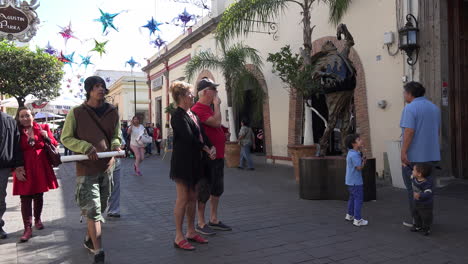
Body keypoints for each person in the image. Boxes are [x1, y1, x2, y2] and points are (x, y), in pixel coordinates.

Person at [61, 76, 121, 264]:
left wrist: (116, 145)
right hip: (86, 170)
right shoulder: (77, 112)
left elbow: (116, 135)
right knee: (93, 210)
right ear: (88, 90)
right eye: (96, 86)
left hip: (107, 167)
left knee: (100, 209)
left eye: (102, 86)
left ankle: (89, 239)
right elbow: (66, 138)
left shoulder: (112, 111)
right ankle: (99, 251)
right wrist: (84, 146)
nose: (101, 89)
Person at [169, 81, 215, 251]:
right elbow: (189, 138)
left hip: (195, 162)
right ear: (181, 96)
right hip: (182, 163)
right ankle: (178, 236)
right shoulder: (177, 116)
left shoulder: (192, 114)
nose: (192, 96)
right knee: (183, 198)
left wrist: (211, 147)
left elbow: (202, 134)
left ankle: (190, 231)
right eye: (189, 94)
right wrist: (205, 148)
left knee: (193, 197)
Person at [191, 77, 232, 236]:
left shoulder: (208, 108)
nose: (216, 92)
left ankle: (213, 219)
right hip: (206, 157)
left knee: (217, 189)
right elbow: (215, 122)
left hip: (219, 156)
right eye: (214, 89)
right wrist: (217, 105)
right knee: (204, 189)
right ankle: (200, 222)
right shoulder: (198, 108)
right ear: (205, 92)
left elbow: (217, 125)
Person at [13, 107, 60, 242]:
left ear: (32, 116)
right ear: (18, 118)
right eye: (21, 116)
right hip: (24, 166)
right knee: (25, 198)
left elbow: (55, 144)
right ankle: (27, 228)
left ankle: (37, 219)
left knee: (39, 194)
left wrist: (46, 136)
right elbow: (13, 150)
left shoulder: (42, 127)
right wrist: (16, 168)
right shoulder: (16, 131)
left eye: (27, 115)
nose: (25, 118)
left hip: (40, 166)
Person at [400, 82, 441, 228]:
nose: (404, 95)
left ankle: (417, 222)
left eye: (404, 92)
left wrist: (403, 152)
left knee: (414, 190)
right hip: (431, 156)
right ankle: (427, 220)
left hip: (415, 159)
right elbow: (437, 132)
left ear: (410, 93)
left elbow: (409, 132)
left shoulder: (410, 108)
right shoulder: (434, 108)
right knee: (428, 190)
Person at [0, 110, 25, 239]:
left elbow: (17, 144)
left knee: (0, 198)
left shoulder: (9, 120)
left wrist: (18, 164)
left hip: (2, 167)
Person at [344, 134, 368, 227]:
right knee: (358, 199)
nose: (361, 140)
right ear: (353, 143)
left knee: (352, 198)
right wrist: (363, 162)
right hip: (356, 182)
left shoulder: (351, 153)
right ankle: (357, 219)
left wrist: (361, 153)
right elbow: (359, 168)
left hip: (350, 181)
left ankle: (349, 215)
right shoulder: (354, 155)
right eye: (358, 140)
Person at [410, 163, 434, 236]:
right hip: (417, 202)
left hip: (425, 204)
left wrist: (420, 195)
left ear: (419, 174)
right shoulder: (414, 178)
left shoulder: (426, 183)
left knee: (426, 216)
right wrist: (405, 167)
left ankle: (427, 228)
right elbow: (409, 173)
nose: (412, 171)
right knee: (415, 214)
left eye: (413, 170)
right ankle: (418, 226)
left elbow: (428, 193)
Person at [107, 136, 126, 218]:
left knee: (115, 186)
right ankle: (97, 212)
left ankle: (114, 210)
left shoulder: (115, 127)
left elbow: (123, 144)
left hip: (115, 162)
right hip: (97, 164)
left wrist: (116, 148)